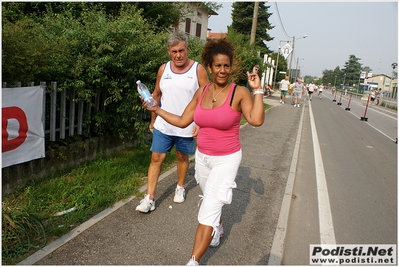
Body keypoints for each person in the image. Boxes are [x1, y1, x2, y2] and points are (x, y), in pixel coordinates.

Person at [142, 38, 265, 265]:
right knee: (211, 201)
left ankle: (193, 261)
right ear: (210, 66)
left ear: (231, 67)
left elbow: (256, 120)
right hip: (203, 159)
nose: (222, 70)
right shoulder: (202, 92)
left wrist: (257, 91)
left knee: (207, 210)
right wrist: (156, 109)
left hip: (226, 160)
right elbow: (181, 121)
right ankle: (218, 227)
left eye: (226, 66)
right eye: (217, 66)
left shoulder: (239, 93)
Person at [136, 31, 209, 213]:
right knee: (156, 158)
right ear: (169, 51)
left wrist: (199, 122)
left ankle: (180, 186)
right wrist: (153, 118)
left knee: (182, 157)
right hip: (164, 124)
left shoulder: (197, 70)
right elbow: (156, 94)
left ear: (187, 49)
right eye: (174, 51)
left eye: (181, 51)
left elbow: (207, 97)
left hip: (186, 125)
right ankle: (149, 198)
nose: (178, 55)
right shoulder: (163, 69)